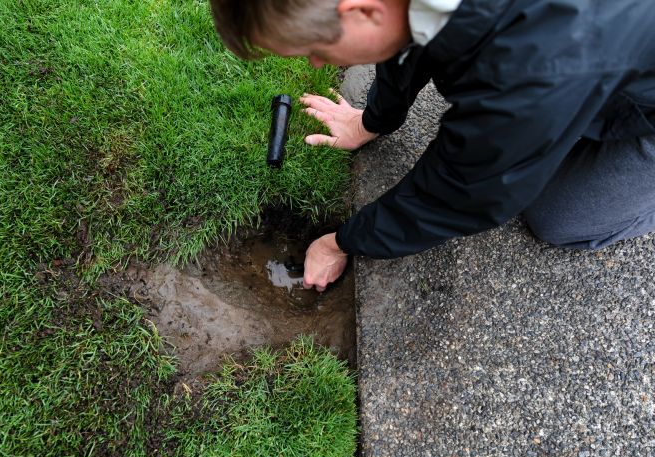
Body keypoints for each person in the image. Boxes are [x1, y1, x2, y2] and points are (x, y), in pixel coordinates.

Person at [209, 0, 655, 291]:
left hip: (620, 85)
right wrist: (373, 120)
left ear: (361, 10)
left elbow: (465, 191)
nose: (316, 62)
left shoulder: (531, 67)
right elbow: (407, 36)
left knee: (558, 216)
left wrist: (341, 243)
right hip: (606, 51)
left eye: (315, 48)